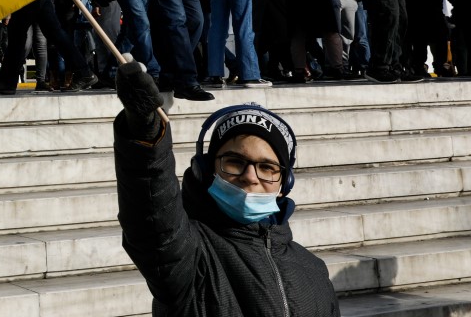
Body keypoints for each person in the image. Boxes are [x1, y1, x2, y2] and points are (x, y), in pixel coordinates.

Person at [114, 61, 339, 315]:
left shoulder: (314, 270)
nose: (250, 177)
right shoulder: (190, 256)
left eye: (267, 168)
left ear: (284, 185)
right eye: (235, 162)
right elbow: (153, 224)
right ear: (207, 170)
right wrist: (145, 129)